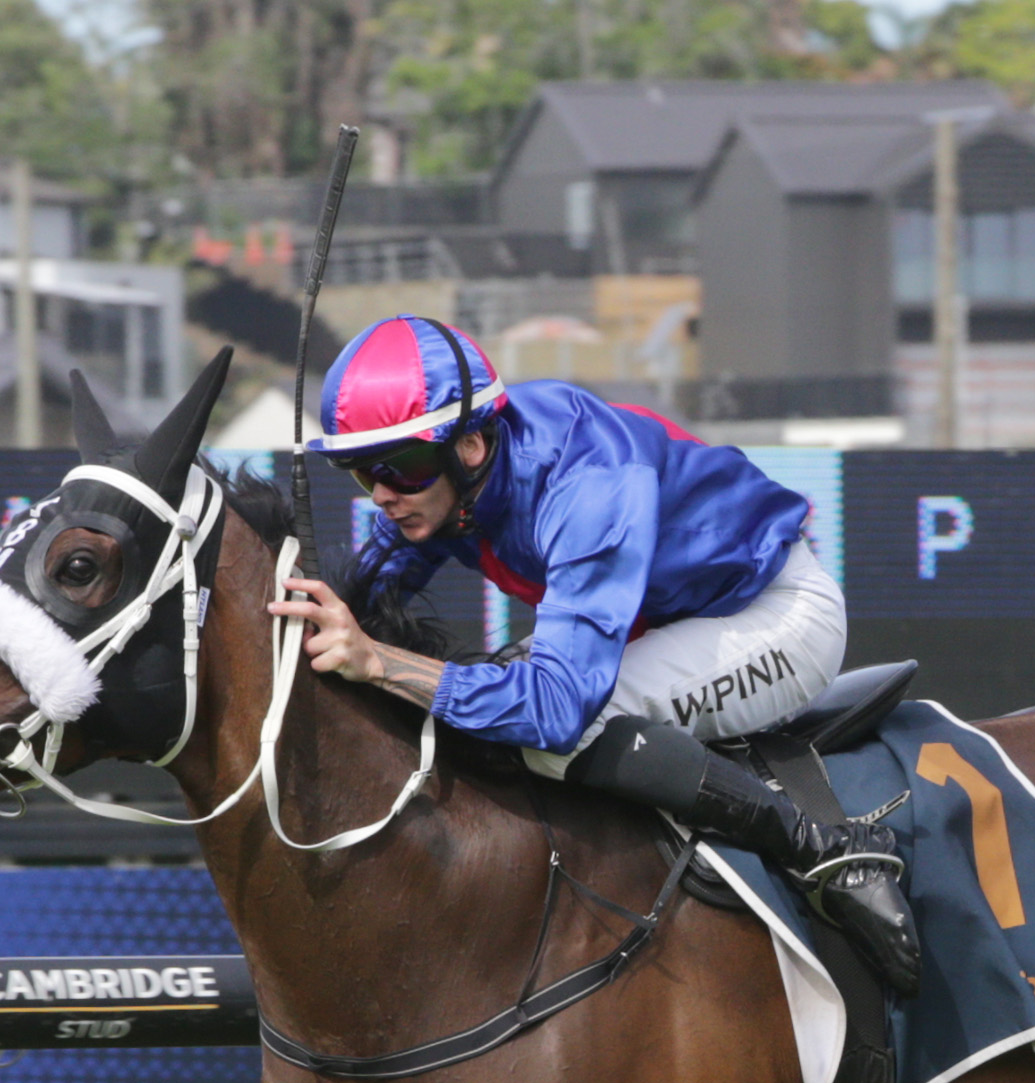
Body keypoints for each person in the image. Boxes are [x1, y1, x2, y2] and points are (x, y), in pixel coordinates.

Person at [270, 314, 918, 993]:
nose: (379, 494)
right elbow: (359, 593)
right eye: (357, 471)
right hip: (662, 623)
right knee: (479, 702)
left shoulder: (587, 485)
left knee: (557, 736)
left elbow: (555, 711)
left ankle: (827, 851)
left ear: (468, 445)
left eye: (394, 467)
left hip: (771, 616)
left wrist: (379, 662)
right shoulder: (444, 487)